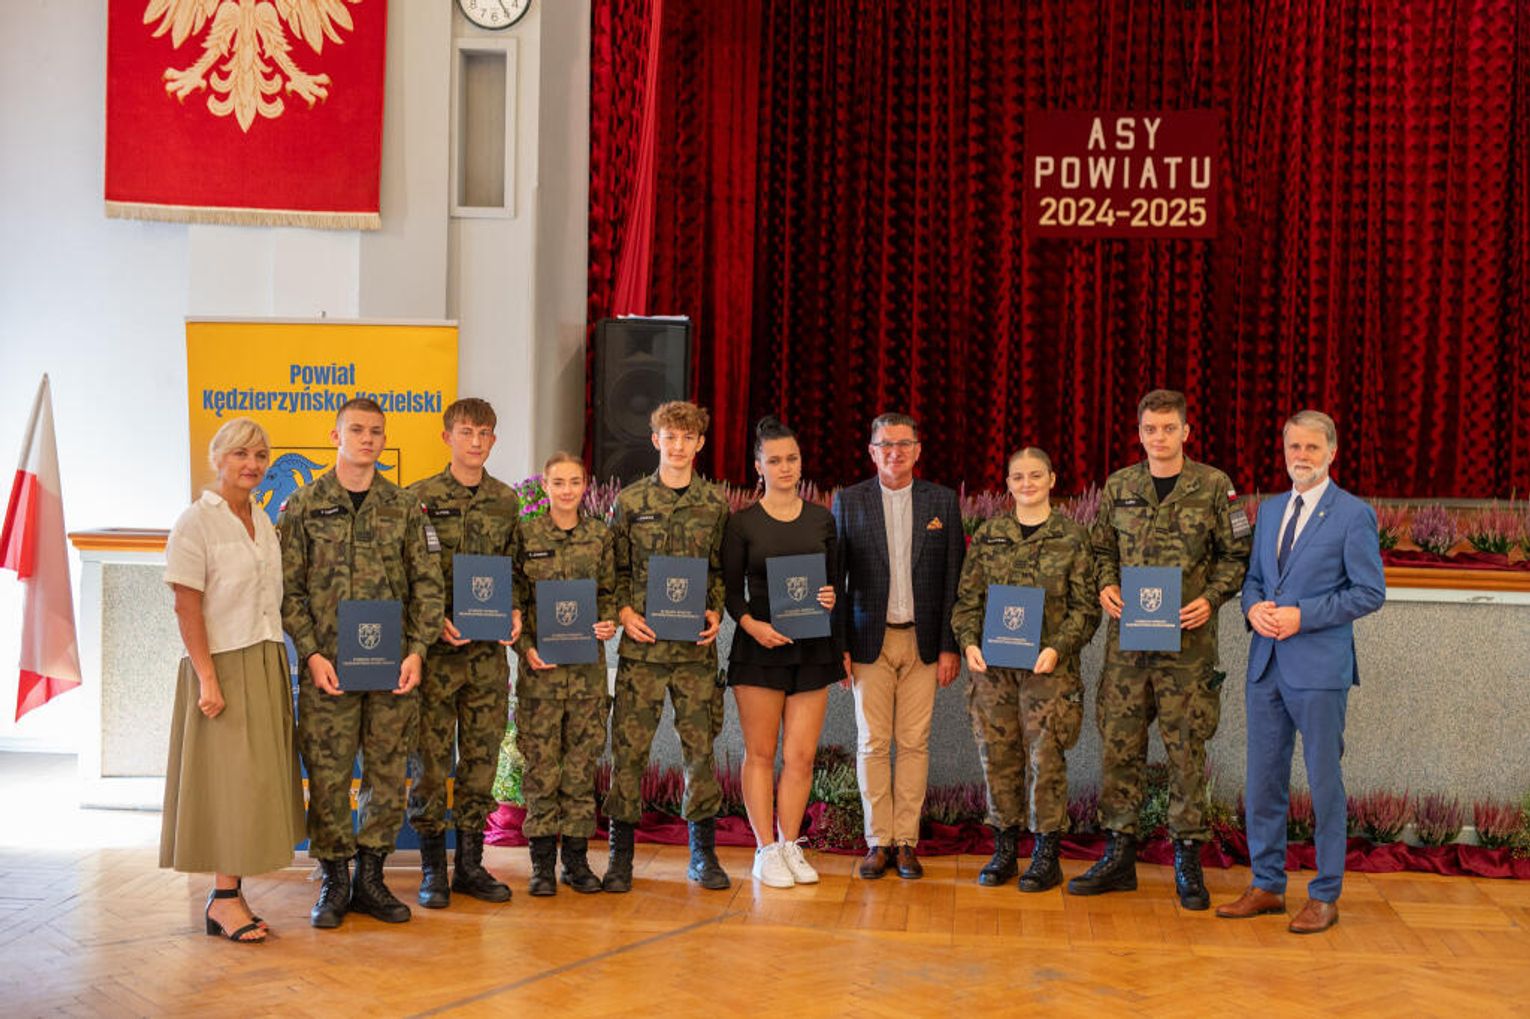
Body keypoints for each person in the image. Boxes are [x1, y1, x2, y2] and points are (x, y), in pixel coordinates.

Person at [1069, 389, 1250, 910]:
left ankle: (1187, 858)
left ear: (1186, 432)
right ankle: (1119, 854)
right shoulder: (1120, 485)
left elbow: (1237, 555)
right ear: (1140, 432)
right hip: (1127, 648)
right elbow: (1100, 548)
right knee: (1119, 747)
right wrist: (1106, 584)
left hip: (1187, 647)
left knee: (1186, 749)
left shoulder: (1214, 486)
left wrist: (1211, 598)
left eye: (1169, 428)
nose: (1160, 437)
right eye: (1151, 429)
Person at [279, 398, 444, 929]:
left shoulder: (405, 506)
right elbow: (289, 591)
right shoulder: (304, 505)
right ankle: (334, 880)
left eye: (376, 431)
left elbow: (428, 585)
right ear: (336, 436)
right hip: (328, 668)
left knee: (387, 771)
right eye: (357, 430)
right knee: (328, 774)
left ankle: (371, 878)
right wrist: (311, 653)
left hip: (392, 668)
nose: (367, 439)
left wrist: (417, 651)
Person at [1217, 411, 1385, 934]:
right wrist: (1253, 608)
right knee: (1263, 782)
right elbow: (1253, 580)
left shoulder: (1352, 515)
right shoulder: (1269, 510)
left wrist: (1302, 616)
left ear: (1332, 452)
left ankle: (1325, 894)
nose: (1302, 456)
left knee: (1324, 784)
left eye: (1312, 447)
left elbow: (1369, 592)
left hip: (1319, 672)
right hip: (1266, 666)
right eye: (1294, 447)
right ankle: (1267, 884)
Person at [161, 417, 305, 943]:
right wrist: (207, 678)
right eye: (241, 454)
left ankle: (232, 895)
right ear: (218, 458)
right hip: (221, 663)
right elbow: (186, 605)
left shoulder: (262, 521)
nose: (252, 464)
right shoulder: (196, 522)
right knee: (228, 784)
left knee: (252, 784)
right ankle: (222, 899)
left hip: (264, 659)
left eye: (261, 455)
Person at [950, 448, 1100, 891]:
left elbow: (1086, 608)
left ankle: (1045, 854)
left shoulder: (1072, 537)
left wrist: (1058, 647)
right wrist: (969, 642)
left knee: (1045, 760)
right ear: (1008, 483)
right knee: (998, 758)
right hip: (993, 673)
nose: (1027, 483)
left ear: (1052, 479)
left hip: (1047, 671)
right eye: (1018, 476)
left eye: (1036, 475)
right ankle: (1004, 848)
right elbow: (967, 601)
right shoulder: (990, 534)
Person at [602, 401, 731, 892]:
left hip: (695, 654)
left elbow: (719, 569)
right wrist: (623, 612)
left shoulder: (714, 504)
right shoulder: (630, 501)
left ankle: (703, 855)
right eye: (669, 437)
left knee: (700, 752)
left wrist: (715, 609)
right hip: (643, 652)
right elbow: (612, 569)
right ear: (655, 440)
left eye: (687, 438)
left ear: (700, 444)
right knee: (628, 753)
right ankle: (620, 858)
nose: (678, 446)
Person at [833, 412, 965, 880]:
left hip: (924, 642)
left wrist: (950, 645)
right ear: (872, 452)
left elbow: (954, 577)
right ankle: (878, 841)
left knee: (914, 743)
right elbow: (836, 580)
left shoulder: (942, 501)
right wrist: (839, 646)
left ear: (918, 450)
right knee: (872, 744)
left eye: (904, 444)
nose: (895, 453)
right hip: (868, 641)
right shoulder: (849, 501)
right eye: (885, 445)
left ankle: (906, 841)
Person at [407, 398, 523, 909]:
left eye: (484, 433)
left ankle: (471, 866)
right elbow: (408, 575)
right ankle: (433, 869)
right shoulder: (419, 499)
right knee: (431, 763)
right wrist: (432, 622)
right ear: (447, 437)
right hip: (436, 655)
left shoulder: (506, 501)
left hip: (486, 659)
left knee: (480, 761)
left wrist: (515, 610)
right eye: (466, 432)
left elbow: (516, 568)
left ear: (493, 440)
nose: (476, 442)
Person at [722, 417, 839, 887]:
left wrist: (829, 596)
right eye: (775, 460)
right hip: (759, 650)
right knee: (760, 753)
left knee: (801, 756)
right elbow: (731, 593)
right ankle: (765, 850)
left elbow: (833, 585)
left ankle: (791, 845)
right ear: (759, 466)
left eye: (792, 458)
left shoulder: (822, 519)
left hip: (813, 650)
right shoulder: (742, 524)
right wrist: (753, 626)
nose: (785, 467)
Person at [512, 452, 617, 895]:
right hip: (541, 674)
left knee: (579, 767)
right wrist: (525, 647)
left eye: (575, 482)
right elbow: (513, 601)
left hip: (587, 675)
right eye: (559, 482)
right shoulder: (525, 534)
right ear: (545, 487)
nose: (567, 490)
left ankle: (575, 861)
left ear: (586, 484)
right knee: (540, 769)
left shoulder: (599, 535)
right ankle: (540, 865)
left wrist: (609, 621)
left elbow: (609, 591)